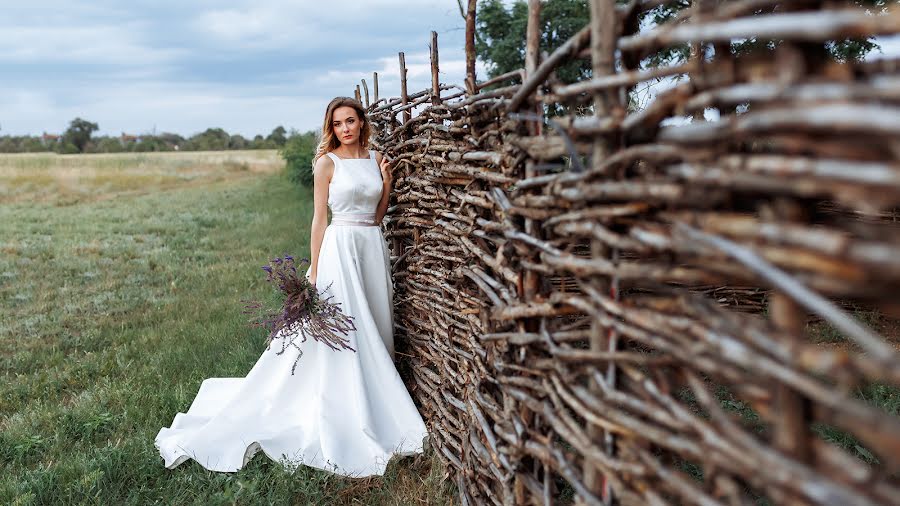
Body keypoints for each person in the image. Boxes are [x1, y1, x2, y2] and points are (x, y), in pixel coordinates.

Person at [155, 97, 429, 477]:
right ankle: (345, 402)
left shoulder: (375, 157)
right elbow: (319, 220)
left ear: (362, 123)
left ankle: (378, 395)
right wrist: (315, 269)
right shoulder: (326, 163)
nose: (345, 128)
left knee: (374, 321)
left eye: (351, 121)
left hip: (370, 246)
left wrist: (387, 182)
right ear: (330, 129)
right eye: (338, 124)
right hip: (339, 250)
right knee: (347, 328)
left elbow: (377, 216)